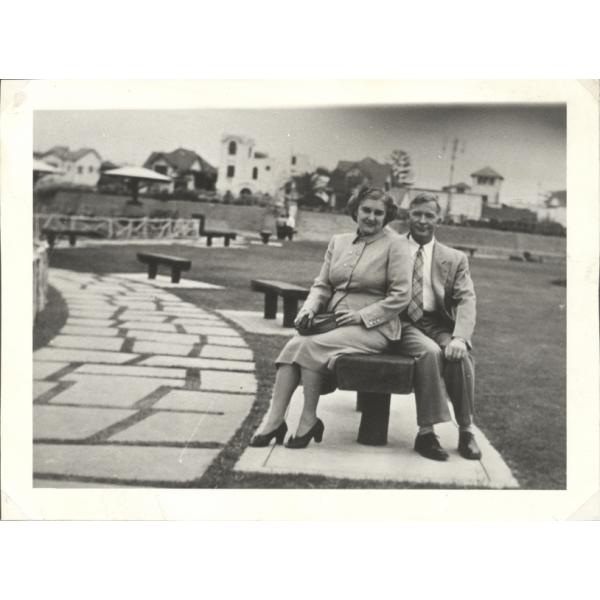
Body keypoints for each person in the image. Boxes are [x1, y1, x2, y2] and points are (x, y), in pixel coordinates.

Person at [250, 186, 412, 449]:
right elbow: (322, 284)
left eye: (378, 213)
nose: (371, 217)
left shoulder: (396, 245)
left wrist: (361, 316)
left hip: (376, 328)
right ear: (355, 211)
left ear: (387, 216)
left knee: (309, 345)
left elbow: (401, 296)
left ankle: (307, 419)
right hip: (333, 321)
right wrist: (309, 309)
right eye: (366, 210)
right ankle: (275, 420)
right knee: (295, 345)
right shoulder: (339, 241)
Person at [398, 193, 481, 461]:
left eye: (429, 215)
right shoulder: (391, 247)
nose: (422, 220)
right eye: (417, 214)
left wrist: (459, 337)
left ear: (439, 220)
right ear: (408, 215)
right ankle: (426, 433)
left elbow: (466, 298)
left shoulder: (454, 258)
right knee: (430, 353)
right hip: (401, 321)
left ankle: (467, 431)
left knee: (460, 355)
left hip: (436, 322)